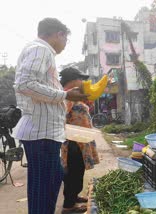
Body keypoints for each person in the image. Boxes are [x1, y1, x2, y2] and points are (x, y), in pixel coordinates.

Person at [13, 18, 88, 214]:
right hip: (40, 133)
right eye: (66, 39)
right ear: (59, 34)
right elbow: (25, 84)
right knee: (43, 186)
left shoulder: (40, 51)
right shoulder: (41, 49)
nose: (64, 44)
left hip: (45, 133)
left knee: (52, 179)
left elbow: (32, 84)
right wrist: (65, 94)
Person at [59, 67, 100, 213]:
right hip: (73, 143)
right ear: (72, 80)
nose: (82, 82)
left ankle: (74, 197)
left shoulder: (74, 96)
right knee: (73, 174)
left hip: (80, 142)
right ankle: (69, 206)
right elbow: (61, 118)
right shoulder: (66, 97)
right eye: (80, 79)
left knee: (78, 172)